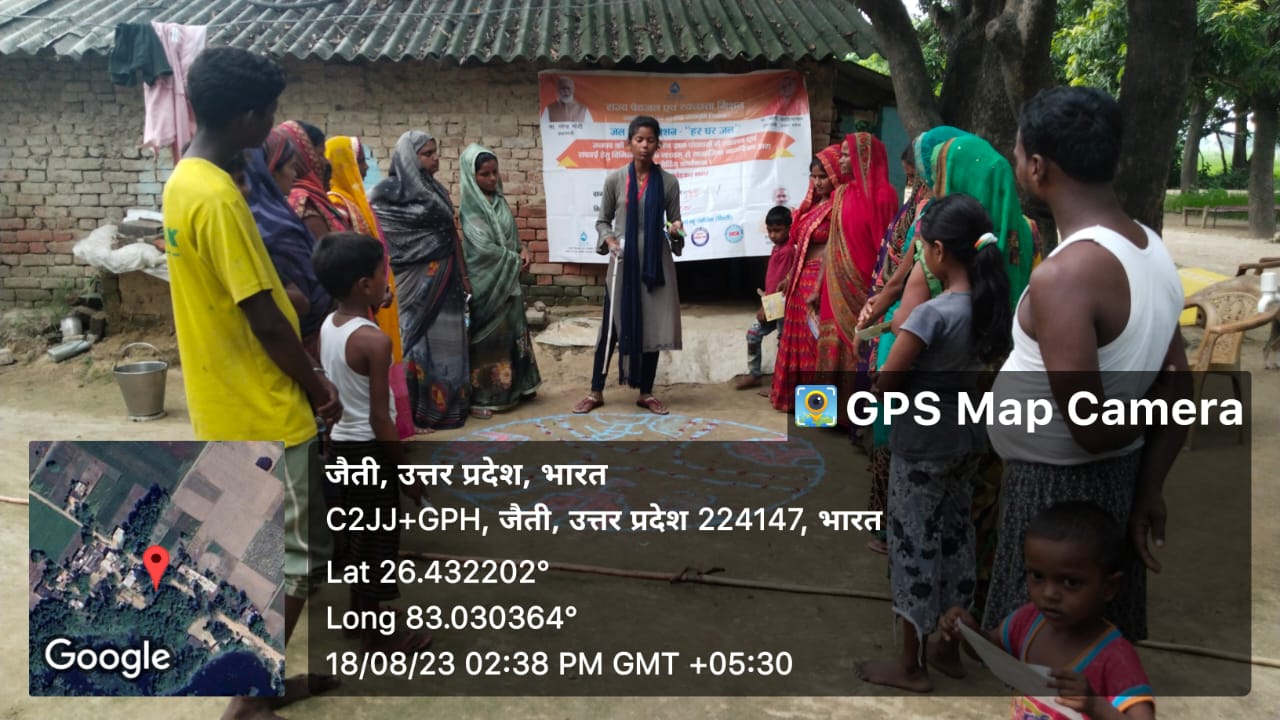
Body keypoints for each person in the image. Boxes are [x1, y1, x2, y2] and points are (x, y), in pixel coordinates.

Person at [162, 46, 339, 718]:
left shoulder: (184, 182)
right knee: (302, 555)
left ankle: (257, 677)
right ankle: (248, 700)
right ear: (245, 117)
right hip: (264, 403)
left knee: (259, 553)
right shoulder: (217, 198)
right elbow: (262, 316)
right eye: (268, 114)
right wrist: (317, 385)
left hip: (222, 399)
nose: (271, 127)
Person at [983, 86, 1190, 644]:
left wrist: (1145, 409)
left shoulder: (1067, 275)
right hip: (1117, 478)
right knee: (1089, 649)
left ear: (1037, 166)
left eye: (1017, 155)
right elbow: (1179, 386)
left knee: (1047, 654)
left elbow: (1092, 427)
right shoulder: (1149, 246)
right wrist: (1149, 488)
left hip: (1055, 494)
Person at [854, 193, 1011, 693]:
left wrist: (883, 364)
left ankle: (911, 663)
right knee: (956, 539)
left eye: (922, 249)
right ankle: (949, 646)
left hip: (922, 445)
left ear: (939, 251)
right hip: (967, 440)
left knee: (912, 547)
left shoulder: (932, 315)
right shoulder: (990, 307)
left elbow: (887, 381)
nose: (921, 257)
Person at [312, 231, 431, 653]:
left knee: (357, 537)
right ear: (365, 284)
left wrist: (373, 308)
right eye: (384, 275)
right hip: (371, 452)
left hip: (341, 449)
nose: (388, 282)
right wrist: (405, 471)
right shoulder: (376, 342)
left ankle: (357, 616)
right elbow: (382, 418)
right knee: (378, 543)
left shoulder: (330, 325)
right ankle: (378, 635)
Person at [943, 501, 1156, 719]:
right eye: (1037, 576)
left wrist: (1095, 706)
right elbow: (989, 651)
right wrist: (968, 632)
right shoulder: (1028, 621)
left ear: (1109, 587)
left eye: (1070, 582)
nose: (1049, 594)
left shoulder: (1115, 658)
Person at [572, 115, 683, 416]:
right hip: (623, 262)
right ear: (629, 143)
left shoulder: (669, 183)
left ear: (659, 144)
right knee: (611, 327)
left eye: (650, 140)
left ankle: (646, 393)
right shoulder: (615, 180)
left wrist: (676, 230)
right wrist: (609, 240)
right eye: (639, 139)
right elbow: (602, 221)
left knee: (653, 327)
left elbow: (675, 221)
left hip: (655, 264)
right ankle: (595, 391)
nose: (645, 145)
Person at [371, 130, 476, 431]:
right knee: (415, 341)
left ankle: (451, 408)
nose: (435, 158)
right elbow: (381, 238)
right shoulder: (385, 194)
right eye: (427, 154)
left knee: (449, 342)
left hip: (447, 279)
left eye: (435, 152)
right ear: (408, 156)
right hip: (412, 281)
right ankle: (418, 412)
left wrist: (464, 275)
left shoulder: (437, 190)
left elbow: (451, 233)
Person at [862, 141, 933, 555]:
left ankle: (891, 529)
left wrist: (878, 311)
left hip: (904, 334)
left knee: (893, 430)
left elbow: (900, 279)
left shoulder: (931, 219)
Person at [325, 135, 412, 438]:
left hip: (372, 295)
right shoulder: (337, 205)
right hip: (363, 299)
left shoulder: (357, 202)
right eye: (360, 161)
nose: (364, 168)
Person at [813, 133, 900, 396]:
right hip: (834, 286)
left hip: (865, 289)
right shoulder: (839, 194)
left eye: (846, 154)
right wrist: (818, 286)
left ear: (863, 156)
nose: (840, 160)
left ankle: (853, 413)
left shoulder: (883, 196)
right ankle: (820, 412)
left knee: (859, 348)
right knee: (829, 347)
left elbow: (887, 248)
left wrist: (881, 290)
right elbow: (832, 242)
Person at [459, 143, 543, 412]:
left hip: (509, 284)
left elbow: (512, 238)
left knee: (514, 331)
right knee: (491, 338)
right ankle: (492, 395)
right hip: (486, 284)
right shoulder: (470, 210)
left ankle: (520, 387)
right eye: (484, 174)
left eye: (495, 172)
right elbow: (482, 249)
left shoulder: (500, 202)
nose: (492, 179)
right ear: (472, 176)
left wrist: (523, 250)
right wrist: (514, 260)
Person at [768, 144, 852, 412]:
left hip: (820, 280)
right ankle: (794, 401)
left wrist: (817, 285)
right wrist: (790, 274)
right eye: (814, 177)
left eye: (823, 176)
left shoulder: (840, 205)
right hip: (800, 279)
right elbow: (801, 245)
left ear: (835, 174)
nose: (817, 182)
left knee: (814, 344)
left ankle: (816, 408)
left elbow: (831, 247)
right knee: (796, 340)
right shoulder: (814, 205)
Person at [249, 127, 332, 358]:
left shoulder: (264, 214)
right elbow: (304, 298)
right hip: (302, 343)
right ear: (271, 171)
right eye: (291, 167)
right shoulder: (277, 228)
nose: (295, 175)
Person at [735, 205, 794, 391]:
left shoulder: (788, 251)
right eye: (770, 231)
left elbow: (780, 285)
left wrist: (766, 307)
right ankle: (754, 374)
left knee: (783, 342)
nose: (773, 235)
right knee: (753, 335)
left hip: (781, 305)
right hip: (771, 303)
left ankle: (781, 383)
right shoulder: (777, 248)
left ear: (789, 228)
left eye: (777, 230)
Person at [279, 120, 351, 241]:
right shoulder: (304, 202)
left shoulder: (316, 197)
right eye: (320, 154)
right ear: (304, 158)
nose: (327, 162)